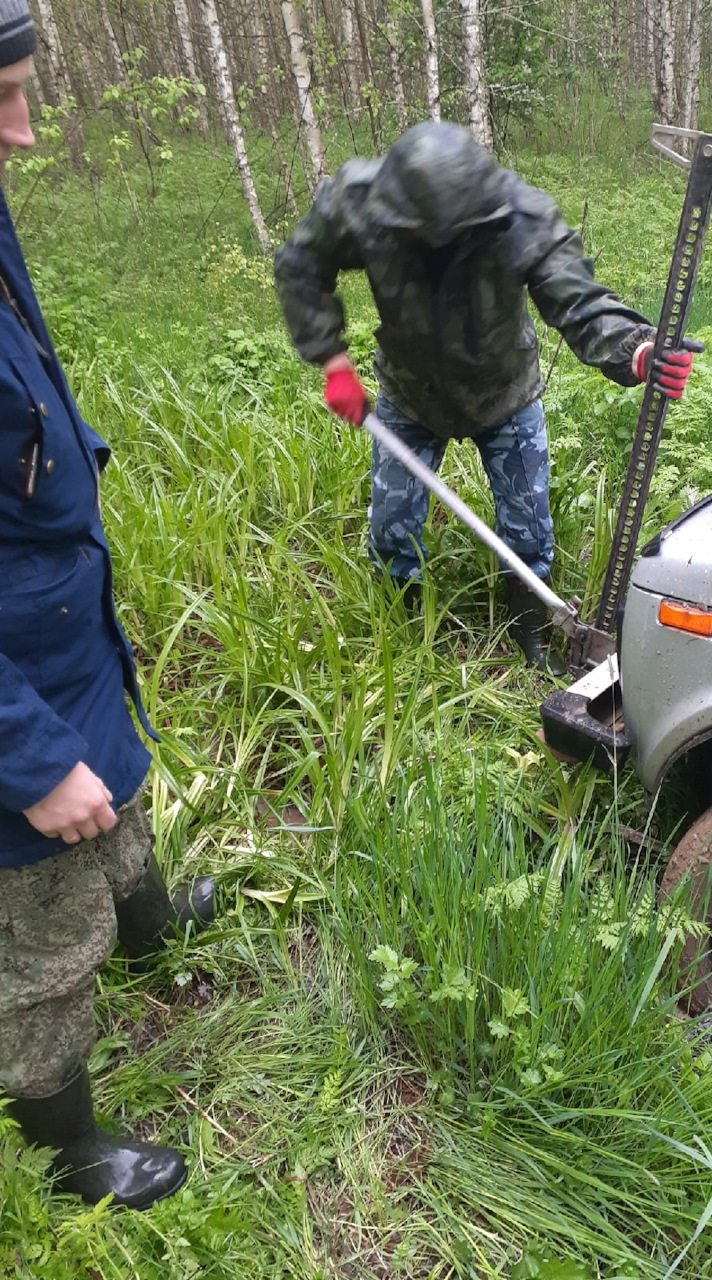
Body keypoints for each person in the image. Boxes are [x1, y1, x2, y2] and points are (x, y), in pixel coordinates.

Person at [0, 4, 214, 1210]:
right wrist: (26, 760)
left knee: (116, 779)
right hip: (10, 686)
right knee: (36, 909)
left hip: (52, 614)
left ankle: (151, 928)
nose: (25, 134)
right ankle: (63, 1143)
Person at [275, 120, 696, 668]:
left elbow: (578, 299)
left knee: (529, 523)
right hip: (411, 390)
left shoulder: (519, 218)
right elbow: (301, 264)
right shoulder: (360, 203)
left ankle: (529, 627)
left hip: (504, 391)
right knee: (392, 524)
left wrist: (636, 349)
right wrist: (331, 358)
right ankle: (401, 628)